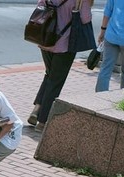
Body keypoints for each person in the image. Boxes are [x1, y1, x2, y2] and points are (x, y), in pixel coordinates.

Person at [27, 0, 94, 131]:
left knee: (49, 75)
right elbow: (85, 18)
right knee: (56, 81)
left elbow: (40, 7)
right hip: (64, 43)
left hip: (45, 38)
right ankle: (42, 121)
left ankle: (37, 109)